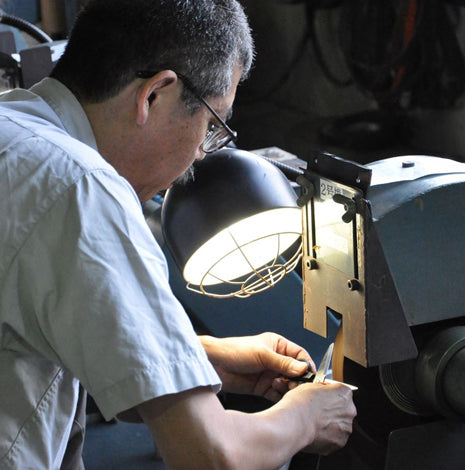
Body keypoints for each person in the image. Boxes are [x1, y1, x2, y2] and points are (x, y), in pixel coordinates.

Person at [0, 0, 356, 468]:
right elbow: (209, 453)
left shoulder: (15, 129)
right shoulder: (81, 188)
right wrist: (307, 418)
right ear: (155, 95)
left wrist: (194, 359)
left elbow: (30, 330)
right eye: (212, 124)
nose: (202, 157)